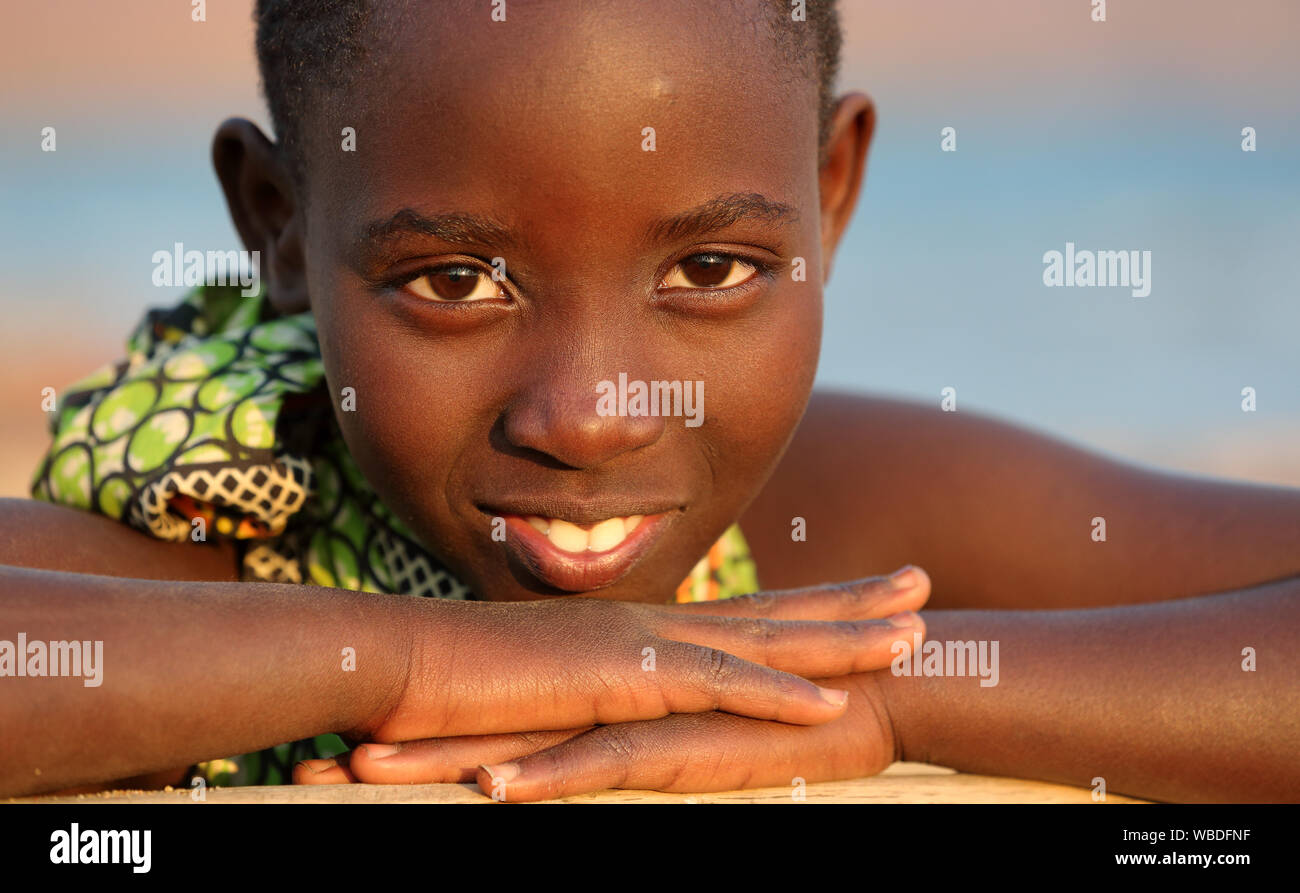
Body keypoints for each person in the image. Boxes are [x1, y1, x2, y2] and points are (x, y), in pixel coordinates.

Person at [2, 0, 1296, 803]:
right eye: (453, 280)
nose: (594, 413)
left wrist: (888, 700)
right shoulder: (229, 512)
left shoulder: (817, 511)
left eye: (712, 269)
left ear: (831, 196)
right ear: (280, 230)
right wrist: (425, 655)